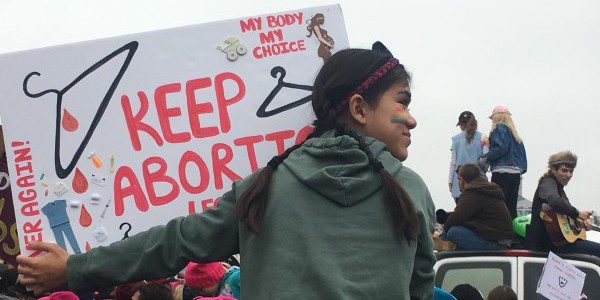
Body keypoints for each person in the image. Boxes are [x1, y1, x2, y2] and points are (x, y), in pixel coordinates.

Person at [17, 44, 436, 299]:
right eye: (403, 101)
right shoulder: (410, 191)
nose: (412, 120)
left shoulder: (268, 185)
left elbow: (173, 243)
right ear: (359, 108)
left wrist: (73, 269)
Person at [526, 151, 600, 256]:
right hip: (547, 245)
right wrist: (578, 213)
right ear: (553, 169)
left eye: (571, 171)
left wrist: (583, 224)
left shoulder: (558, 188)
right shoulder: (548, 182)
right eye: (564, 171)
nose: (568, 175)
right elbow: (555, 201)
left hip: (557, 243)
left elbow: (564, 219)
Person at [437, 164, 513, 250]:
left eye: (458, 179)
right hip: (501, 240)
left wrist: (444, 227)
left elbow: (456, 218)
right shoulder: (484, 189)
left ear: (461, 180)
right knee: (453, 230)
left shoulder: (472, 193)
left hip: (497, 244)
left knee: (453, 232)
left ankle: (439, 247)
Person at [479, 105, 527, 219]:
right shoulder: (515, 134)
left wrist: (484, 158)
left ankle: (501, 234)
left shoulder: (499, 128)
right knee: (511, 207)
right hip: (515, 173)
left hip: (501, 171)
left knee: (499, 206)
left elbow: (501, 148)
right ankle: (512, 234)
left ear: (497, 116)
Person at [449, 111, 487, 201]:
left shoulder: (455, 140)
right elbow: (486, 158)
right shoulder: (484, 138)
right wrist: (480, 165)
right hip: (479, 181)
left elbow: (453, 162)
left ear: (461, 125)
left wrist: (450, 181)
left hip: (459, 183)